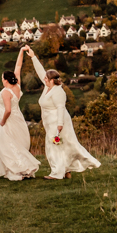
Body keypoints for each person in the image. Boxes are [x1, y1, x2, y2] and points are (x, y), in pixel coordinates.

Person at [23, 45, 100, 180]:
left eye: (46, 79)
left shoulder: (58, 91)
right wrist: (33, 57)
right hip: (49, 122)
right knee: (62, 145)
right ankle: (66, 171)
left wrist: (59, 125)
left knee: (54, 146)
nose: (44, 80)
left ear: (52, 80)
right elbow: (41, 72)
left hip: (58, 122)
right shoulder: (47, 86)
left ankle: (57, 173)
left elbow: (60, 108)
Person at [0, 49, 40, 181]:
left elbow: (8, 110)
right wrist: (21, 51)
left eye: (1, 78)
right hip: (18, 119)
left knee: (3, 145)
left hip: (8, 121)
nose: (1, 79)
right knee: (15, 144)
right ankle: (20, 168)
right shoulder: (17, 86)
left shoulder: (6, 92)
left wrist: (2, 121)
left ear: (5, 80)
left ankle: (16, 169)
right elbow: (18, 66)